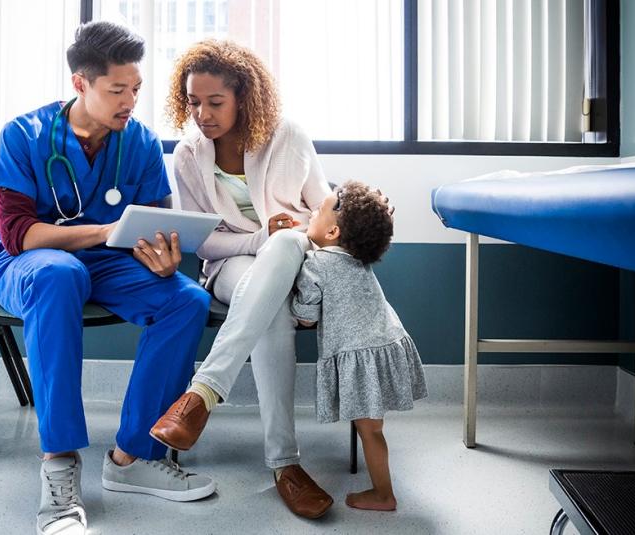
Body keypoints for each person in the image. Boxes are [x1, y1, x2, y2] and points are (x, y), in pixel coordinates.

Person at [0, 21, 216, 535]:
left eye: (136, 89)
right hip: (28, 264)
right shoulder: (24, 135)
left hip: (108, 263)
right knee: (59, 274)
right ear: (80, 83)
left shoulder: (140, 142)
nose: (130, 101)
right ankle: (60, 463)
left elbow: (153, 224)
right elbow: (18, 234)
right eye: (117, 90)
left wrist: (162, 257)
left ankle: (134, 457)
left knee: (187, 301)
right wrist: (104, 231)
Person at [148, 39, 335, 519]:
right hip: (230, 264)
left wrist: (287, 235)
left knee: (286, 245)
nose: (202, 114)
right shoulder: (187, 155)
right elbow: (204, 242)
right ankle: (285, 464)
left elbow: (323, 211)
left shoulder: (288, 136)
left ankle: (202, 393)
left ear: (243, 97)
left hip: (296, 260)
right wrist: (258, 239)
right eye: (193, 102)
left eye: (215, 102)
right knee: (271, 304)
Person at [292, 181, 427, 511]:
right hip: (385, 344)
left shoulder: (317, 264)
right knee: (373, 429)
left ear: (333, 231)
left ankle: (383, 495)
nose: (312, 213)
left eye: (318, 211)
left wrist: (291, 299)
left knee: (370, 432)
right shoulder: (357, 258)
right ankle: (383, 491)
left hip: (361, 354)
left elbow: (305, 318)